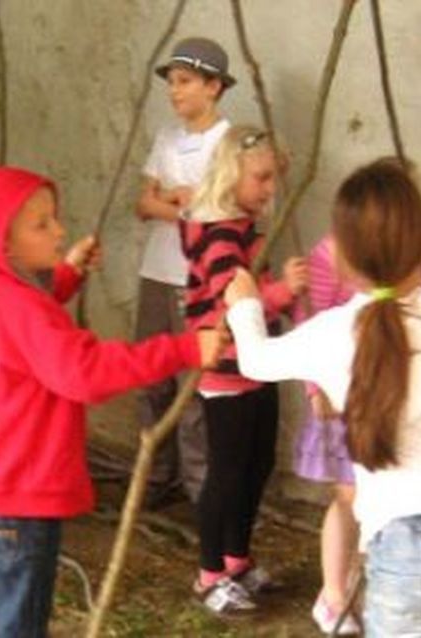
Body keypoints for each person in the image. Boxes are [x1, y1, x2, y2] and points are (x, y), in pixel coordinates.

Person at [0, 165, 224, 637]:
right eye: (42, 224)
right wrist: (187, 348)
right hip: (19, 495)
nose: (59, 229)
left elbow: (36, 336)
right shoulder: (23, 307)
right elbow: (85, 374)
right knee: (19, 624)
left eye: (55, 218)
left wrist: (67, 273)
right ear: (2, 244)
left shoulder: (0, 289)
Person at [225, 158, 421, 637]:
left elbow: (255, 360)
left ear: (344, 256)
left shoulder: (336, 332)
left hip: (400, 542)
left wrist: (245, 303)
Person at [179, 124, 308, 614]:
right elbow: (230, 306)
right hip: (227, 374)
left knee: (256, 467)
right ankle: (209, 573)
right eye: (262, 178)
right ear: (233, 174)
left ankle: (237, 559)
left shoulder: (249, 232)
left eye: (275, 179)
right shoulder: (218, 239)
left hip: (258, 365)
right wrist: (280, 292)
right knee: (228, 473)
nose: (271, 189)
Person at [134, 37, 235, 506]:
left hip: (198, 276)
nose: (175, 92)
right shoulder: (165, 138)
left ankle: (200, 487)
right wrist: (179, 202)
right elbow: (142, 204)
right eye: (172, 83)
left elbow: (220, 210)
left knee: (193, 386)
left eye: (186, 81)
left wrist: (175, 202)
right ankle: (155, 477)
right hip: (157, 269)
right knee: (150, 376)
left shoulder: (229, 142)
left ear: (213, 86)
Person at [292, 236, 360, 635]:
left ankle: (354, 584)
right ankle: (333, 596)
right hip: (341, 395)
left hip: (382, 399)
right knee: (349, 497)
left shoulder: (405, 252)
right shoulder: (333, 253)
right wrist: (315, 388)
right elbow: (309, 321)